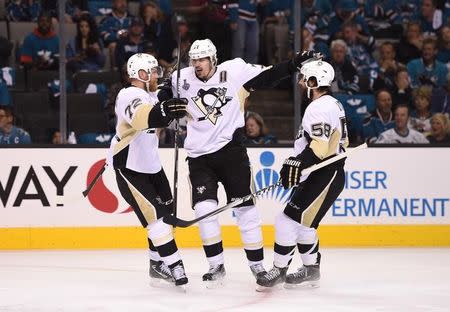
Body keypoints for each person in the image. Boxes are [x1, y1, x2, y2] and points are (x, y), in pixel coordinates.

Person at [164, 38, 319, 287]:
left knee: (246, 209)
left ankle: (257, 265)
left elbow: (269, 76)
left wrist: (293, 63)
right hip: (198, 156)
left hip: (231, 152)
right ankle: (216, 266)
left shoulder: (234, 71)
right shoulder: (181, 78)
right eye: (194, 60)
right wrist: (165, 103)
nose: (197, 65)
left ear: (213, 59)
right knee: (204, 211)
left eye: (202, 59)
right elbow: (165, 93)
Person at [256, 59, 348, 290]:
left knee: (286, 221)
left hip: (324, 173)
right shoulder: (332, 104)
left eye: (304, 77)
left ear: (314, 81)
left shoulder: (318, 107)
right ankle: (311, 270)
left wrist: (298, 162)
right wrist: (300, 165)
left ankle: (279, 269)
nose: (300, 82)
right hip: (323, 173)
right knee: (305, 226)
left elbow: (320, 146)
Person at [106, 53, 189, 288]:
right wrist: (166, 111)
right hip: (129, 167)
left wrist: (170, 89)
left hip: (151, 165)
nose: (157, 75)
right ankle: (174, 265)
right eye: (153, 71)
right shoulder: (129, 95)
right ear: (141, 75)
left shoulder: (148, 93)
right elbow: (145, 117)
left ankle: (156, 265)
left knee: (167, 215)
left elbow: (159, 95)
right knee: (157, 219)